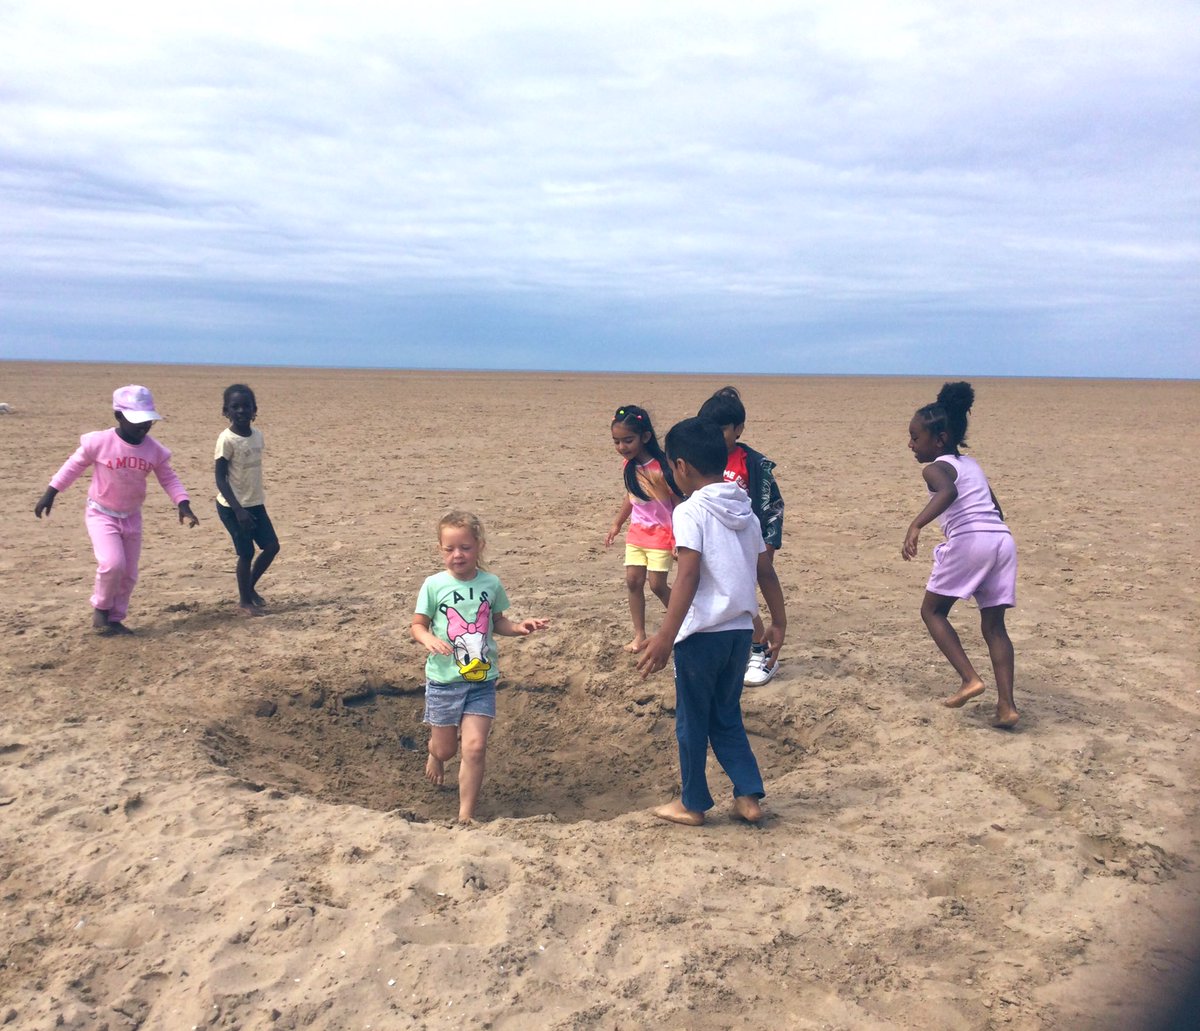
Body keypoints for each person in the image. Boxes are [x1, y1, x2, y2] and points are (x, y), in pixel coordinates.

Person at [636, 418, 787, 826]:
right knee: (727, 715)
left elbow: (688, 575)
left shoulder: (691, 512)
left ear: (681, 466)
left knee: (691, 721)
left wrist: (666, 635)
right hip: (739, 633)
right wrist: (778, 622)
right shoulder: (746, 509)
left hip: (701, 635)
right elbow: (766, 572)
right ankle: (748, 795)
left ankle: (693, 803)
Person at [411, 511, 549, 823]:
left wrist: (519, 627)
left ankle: (465, 815)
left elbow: (498, 621)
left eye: (465, 548)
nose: (457, 555)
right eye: (450, 549)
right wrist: (428, 639)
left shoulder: (491, 584)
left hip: (481, 681)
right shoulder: (433, 585)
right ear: (440, 550)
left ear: (479, 547)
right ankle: (435, 754)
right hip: (444, 680)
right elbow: (417, 625)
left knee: (474, 747)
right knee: (446, 750)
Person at [34, 384, 199, 634]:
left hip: (132, 517)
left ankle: (115, 618)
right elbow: (73, 466)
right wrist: (51, 492)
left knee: (129, 573)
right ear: (119, 416)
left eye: (148, 421)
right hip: (101, 513)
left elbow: (169, 479)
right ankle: (101, 611)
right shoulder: (99, 442)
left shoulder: (154, 450)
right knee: (112, 564)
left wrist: (182, 503)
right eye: (137, 421)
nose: (144, 427)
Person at [901, 381, 1019, 729]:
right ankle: (1007, 706)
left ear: (939, 440)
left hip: (971, 541)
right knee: (995, 626)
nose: (910, 443)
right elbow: (995, 507)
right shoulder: (972, 464)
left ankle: (970, 678)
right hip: (1002, 541)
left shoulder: (935, 467)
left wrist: (916, 525)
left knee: (932, 610)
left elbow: (948, 492)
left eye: (915, 437)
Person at [697, 386, 785, 686]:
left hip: (747, 543)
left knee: (743, 597)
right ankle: (740, 650)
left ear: (738, 429)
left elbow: (772, 504)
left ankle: (762, 652)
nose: (715, 436)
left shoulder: (753, 464)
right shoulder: (703, 460)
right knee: (725, 598)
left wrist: (769, 541)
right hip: (712, 544)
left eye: (722, 430)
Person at [604, 405, 684, 652]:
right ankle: (639, 634)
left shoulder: (663, 469)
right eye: (616, 442)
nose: (622, 447)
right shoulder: (629, 468)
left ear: (645, 437)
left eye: (628, 440)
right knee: (632, 581)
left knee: (657, 585)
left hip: (663, 534)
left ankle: (685, 623)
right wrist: (618, 523)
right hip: (637, 533)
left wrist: (679, 538)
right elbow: (632, 496)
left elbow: (678, 503)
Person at [214, 383, 280, 616]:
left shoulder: (258, 436)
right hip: (232, 507)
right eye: (235, 407)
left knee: (272, 546)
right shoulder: (226, 440)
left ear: (254, 410)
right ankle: (244, 602)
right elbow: (220, 478)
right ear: (226, 411)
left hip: (255, 502)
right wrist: (238, 509)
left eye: (246, 406)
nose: (241, 411)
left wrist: (249, 505)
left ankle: (249, 587)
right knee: (246, 553)